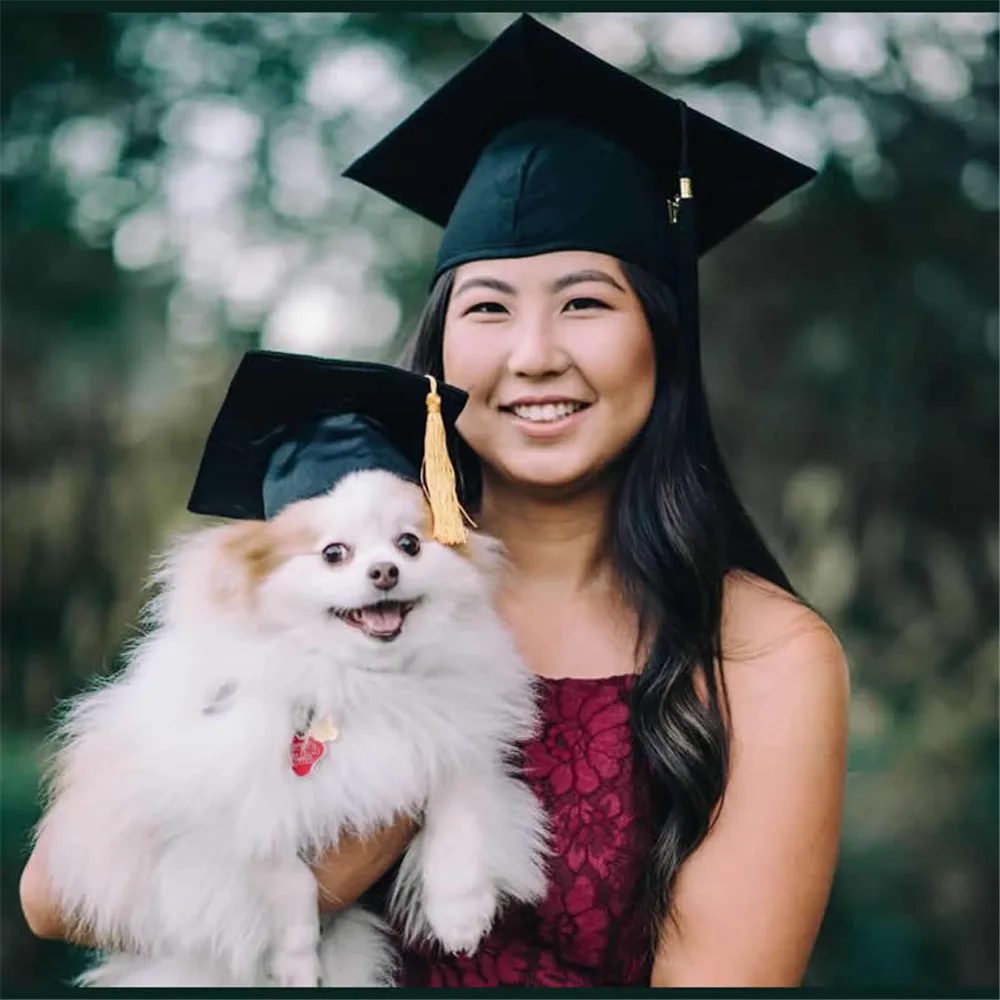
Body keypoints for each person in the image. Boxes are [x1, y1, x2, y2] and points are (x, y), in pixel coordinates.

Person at [21, 14, 849, 987]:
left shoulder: (762, 655)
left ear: (660, 340)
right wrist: (361, 825)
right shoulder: (336, 583)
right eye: (488, 306)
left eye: (585, 301)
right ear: (439, 344)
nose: (533, 354)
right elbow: (55, 894)